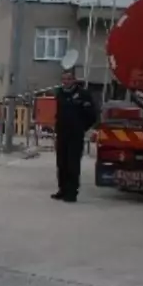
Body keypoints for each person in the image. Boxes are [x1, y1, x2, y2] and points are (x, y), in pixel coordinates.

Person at [51, 68, 97, 203]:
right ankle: (62, 189)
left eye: (68, 79)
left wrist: (81, 128)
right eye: (64, 79)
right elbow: (58, 114)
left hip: (75, 135)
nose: (66, 82)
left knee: (73, 164)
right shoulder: (60, 94)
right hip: (62, 134)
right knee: (61, 163)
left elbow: (92, 116)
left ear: (74, 80)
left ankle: (72, 192)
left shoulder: (83, 95)